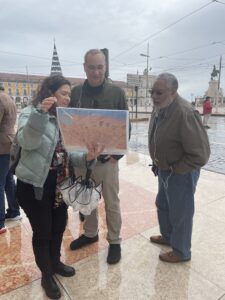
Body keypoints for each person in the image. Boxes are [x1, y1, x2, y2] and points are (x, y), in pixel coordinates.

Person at [15, 75, 103, 299]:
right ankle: (46, 275)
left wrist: (87, 156)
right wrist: (40, 115)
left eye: (69, 94)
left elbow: (69, 153)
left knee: (58, 227)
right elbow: (28, 142)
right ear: (49, 93)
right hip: (35, 185)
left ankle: (55, 263)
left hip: (60, 185)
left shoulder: (66, 118)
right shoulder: (29, 113)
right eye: (64, 93)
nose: (67, 98)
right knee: (43, 231)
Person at [69, 49, 129, 264]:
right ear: (84, 67)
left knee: (112, 203)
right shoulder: (75, 93)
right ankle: (90, 234)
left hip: (108, 161)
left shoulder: (116, 93)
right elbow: (68, 123)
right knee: (88, 200)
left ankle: (114, 241)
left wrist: (116, 156)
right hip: (83, 160)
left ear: (105, 67)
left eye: (100, 67)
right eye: (92, 67)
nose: (96, 72)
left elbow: (125, 125)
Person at [148, 73, 210, 263]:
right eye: (152, 92)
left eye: (159, 93)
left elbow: (201, 155)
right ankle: (168, 237)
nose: (154, 96)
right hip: (164, 170)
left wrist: (177, 169)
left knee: (180, 212)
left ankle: (181, 251)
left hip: (180, 173)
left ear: (173, 92)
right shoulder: (160, 106)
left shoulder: (185, 113)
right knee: (163, 205)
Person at [0, 86, 21, 234]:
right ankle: (14, 211)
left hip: (1, 145)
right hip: (9, 142)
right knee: (8, 180)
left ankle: (0, 221)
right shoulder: (7, 97)